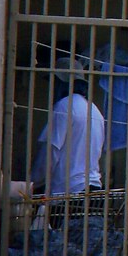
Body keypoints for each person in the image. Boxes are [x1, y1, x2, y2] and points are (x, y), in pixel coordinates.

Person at [30, 54, 106, 195]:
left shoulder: (64, 106)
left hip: (69, 190)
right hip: (93, 187)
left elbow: (50, 152)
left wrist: (32, 182)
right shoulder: (94, 110)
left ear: (61, 83)